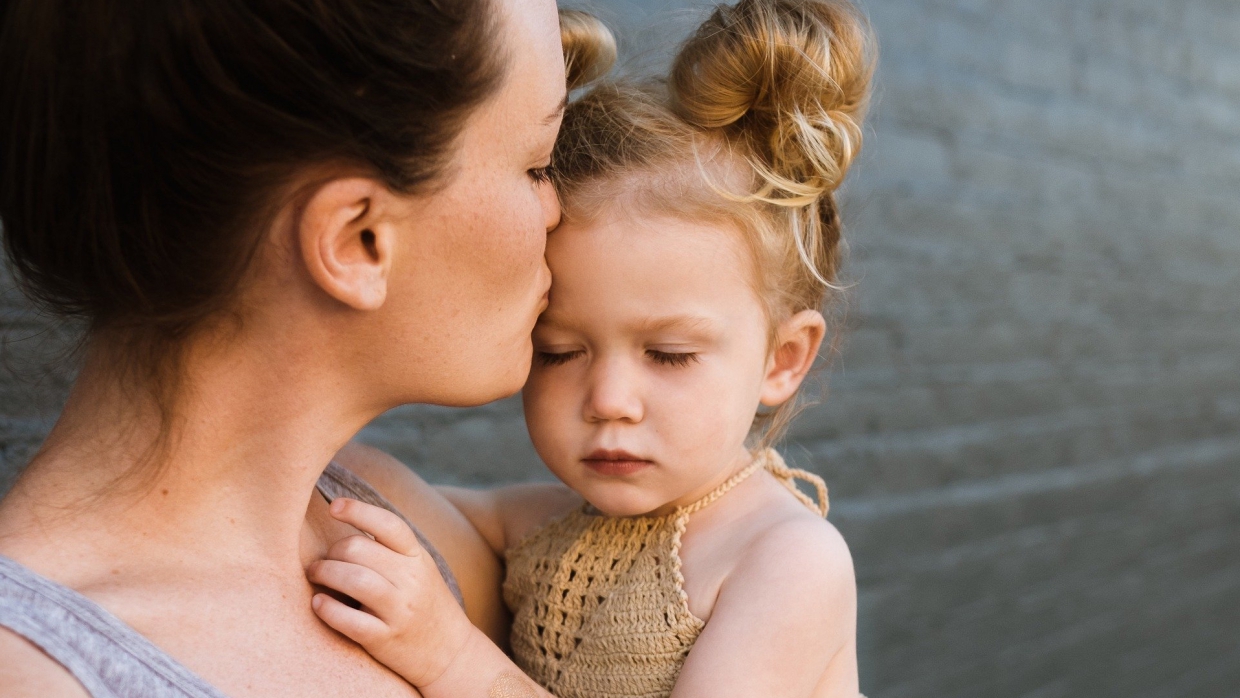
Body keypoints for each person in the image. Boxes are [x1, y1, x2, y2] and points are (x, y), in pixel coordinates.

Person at [0, 0, 610, 695]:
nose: (558, 210)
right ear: (359, 240)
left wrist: (757, 560)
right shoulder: (37, 676)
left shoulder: (393, 520)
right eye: (537, 165)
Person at [305, 1, 875, 696]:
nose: (608, 399)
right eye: (558, 351)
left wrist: (454, 659)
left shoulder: (783, 559)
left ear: (783, 359)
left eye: (667, 354)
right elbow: (385, 500)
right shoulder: (545, 528)